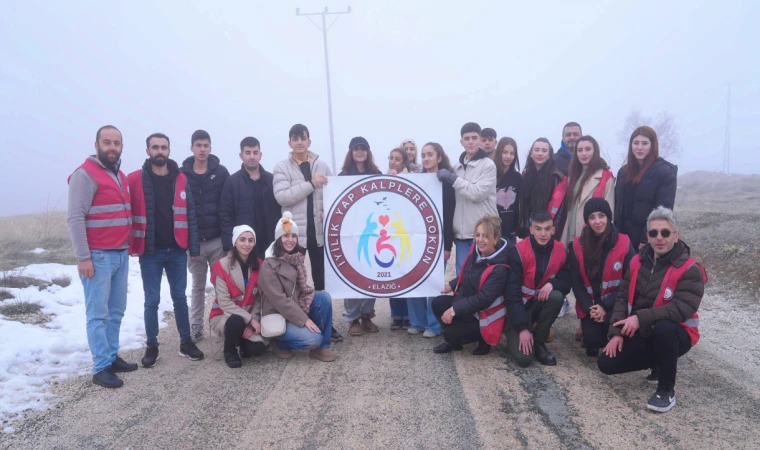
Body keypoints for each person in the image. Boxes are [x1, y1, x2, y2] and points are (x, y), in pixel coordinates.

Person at [598, 207, 705, 413]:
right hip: (645, 331)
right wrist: (617, 333)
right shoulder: (637, 260)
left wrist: (639, 318)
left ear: (676, 236)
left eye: (665, 232)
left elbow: (681, 309)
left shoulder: (690, 269)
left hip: (677, 334)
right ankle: (659, 361)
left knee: (664, 327)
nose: (659, 238)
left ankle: (666, 390)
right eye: (654, 233)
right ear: (647, 236)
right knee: (606, 364)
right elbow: (622, 297)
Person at [67, 125, 136, 388]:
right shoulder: (84, 175)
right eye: (107, 142)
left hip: (120, 253)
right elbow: (75, 218)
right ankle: (100, 367)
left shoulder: (119, 175)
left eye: (116, 143)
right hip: (97, 257)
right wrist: (83, 257)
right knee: (98, 315)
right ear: (96, 145)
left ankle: (111, 356)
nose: (112, 147)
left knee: (116, 311)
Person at [129, 133, 204, 367]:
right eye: (155, 147)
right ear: (147, 150)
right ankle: (152, 345)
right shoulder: (136, 179)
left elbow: (190, 214)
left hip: (177, 250)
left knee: (180, 298)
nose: (159, 151)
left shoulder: (180, 179)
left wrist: (192, 246)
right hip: (150, 251)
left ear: (169, 151)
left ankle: (186, 342)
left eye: (163, 147)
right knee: (152, 300)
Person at [272, 124, 342, 342]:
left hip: (319, 233)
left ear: (309, 141)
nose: (299, 142)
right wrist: (311, 183)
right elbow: (282, 197)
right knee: (293, 282)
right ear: (289, 143)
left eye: (303, 138)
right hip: (294, 236)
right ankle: (296, 322)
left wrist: (327, 211)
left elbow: (335, 195)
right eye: (295, 138)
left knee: (322, 282)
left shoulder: (322, 165)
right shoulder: (281, 167)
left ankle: (326, 322)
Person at [259, 212, 337, 362]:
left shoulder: (296, 258)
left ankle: (322, 348)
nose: (290, 240)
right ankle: (278, 340)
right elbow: (280, 301)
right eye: (286, 236)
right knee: (313, 339)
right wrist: (304, 320)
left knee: (323, 298)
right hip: (279, 314)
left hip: (296, 306)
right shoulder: (268, 265)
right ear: (278, 239)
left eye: (293, 236)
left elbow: (302, 290)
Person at [566, 199, 635, 356]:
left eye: (601, 215)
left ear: (608, 217)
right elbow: (576, 283)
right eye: (592, 217)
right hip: (590, 306)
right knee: (592, 342)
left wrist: (605, 306)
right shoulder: (577, 245)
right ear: (587, 220)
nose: (597, 221)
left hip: (615, 305)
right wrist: (590, 308)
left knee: (615, 342)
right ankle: (588, 329)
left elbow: (629, 280)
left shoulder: (624, 242)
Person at [431, 216, 509, 355]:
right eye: (478, 235)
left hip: (483, 313)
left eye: (485, 236)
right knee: (438, 302)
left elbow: (483, 299)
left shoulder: (500, 268)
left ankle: (481, 339)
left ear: (495, 239)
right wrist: (452, 285)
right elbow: (467, 273)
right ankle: (455, 340)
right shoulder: (476, 250)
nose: (479, 240)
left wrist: (454, 310)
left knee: (450, 333)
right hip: (467, 304)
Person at [181, 129, 230, 342]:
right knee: (198, 286)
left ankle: (223, 323)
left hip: (217, 240)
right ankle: (196, 326)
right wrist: (186, 242)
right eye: (198, 145)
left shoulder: (221, 173)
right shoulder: (182, 175)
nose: (202, 149)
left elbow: (227, 206)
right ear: (192, 147)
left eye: (206, 145)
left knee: (223, 285)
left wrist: (228, 241)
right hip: (193, 244)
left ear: (210, 147)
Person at [505, 211, 569, 367]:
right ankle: (519, 331)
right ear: (531, 230)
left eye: (547, 229)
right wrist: (522, 328)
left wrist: (552, 283)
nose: (543, 233)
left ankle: (539, 343)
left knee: (556, 296)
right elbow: (511, 294)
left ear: (553, 230)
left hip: (538, 305)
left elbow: (568, 280)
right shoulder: (517, 251)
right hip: (518, 309)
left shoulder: (562, 250)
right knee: (524, 359)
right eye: (538, 228)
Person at [437, 122, 498, 276]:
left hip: (484, 232)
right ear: (461, 142)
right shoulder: (457, 167)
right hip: (462, 235)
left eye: (474, 138)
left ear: (480, 140)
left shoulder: (488, 165)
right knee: (462, 276)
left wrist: (453, 179)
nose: (470, 141)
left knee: (484, 276)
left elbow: (477, 193)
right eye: (467, 138)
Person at [407, 142, 455, 338]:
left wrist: (447, 245)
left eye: (430, 155)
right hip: (415, 240)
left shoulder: (447, 183)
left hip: (438, 241)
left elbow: (449, 216)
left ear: (439, 158)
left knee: (434, 282)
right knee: (412, 280)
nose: (426, 158)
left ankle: (433, 324)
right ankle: (417, 322)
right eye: (423, 155)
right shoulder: (414, 180)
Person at [338, 137, 381, 337]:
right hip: (350, 234)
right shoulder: (342, 176)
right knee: (352, 277)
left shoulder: (377, 174)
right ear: (351, 152)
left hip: (372, 231)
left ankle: (367, 315)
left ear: (368, 151)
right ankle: (352, 318)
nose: (360, 152)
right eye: (356, 149)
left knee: (372, 274)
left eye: (363, 148)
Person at [209, 225, 267, 368]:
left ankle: (241, 340)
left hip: (247, 317)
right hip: (223, 315)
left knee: (257, 349)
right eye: (242, 240)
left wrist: (252, 320)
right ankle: (229, 351)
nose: (247, 244)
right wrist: (249, 320)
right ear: (235, 242)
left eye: (250, 240)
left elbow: (258, 299)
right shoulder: (222, 265)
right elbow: (224, 302)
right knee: (236, 322)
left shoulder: (259, 264)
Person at [614, 126, 678, 250]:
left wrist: (646, 238)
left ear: (652, 146)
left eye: (644, 143)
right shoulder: (623, 172)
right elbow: (617, 208)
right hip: (622, 240)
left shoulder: (664, 171)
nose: (639, 148)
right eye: (636, 143)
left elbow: (663, 210)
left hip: (648, 241)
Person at [219, 136, 280, 259]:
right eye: (248, 153)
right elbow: (225, 216)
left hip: (270, 245)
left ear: (260, 155)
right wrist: (229, 246)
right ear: (241, 156)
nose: (252, 156)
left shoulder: (272, 180)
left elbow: (281, 211)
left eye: (255, 152)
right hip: (244, 247)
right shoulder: (232, 182)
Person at [559, 135, 615, 247]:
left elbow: (610, 213)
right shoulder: (572, 177)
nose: (583, 154)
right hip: (571, 233)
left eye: (588, 149)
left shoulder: (605, 177)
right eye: (580, 150)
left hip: (592, 236)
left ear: (595, 151)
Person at [518, 138, 566, 241]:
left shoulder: (556, 177)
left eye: (544, 151)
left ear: (549, 155)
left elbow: (559, 211)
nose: (540, 154)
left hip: (545, 230)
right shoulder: (525, 176)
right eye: (537, 150)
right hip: (526, 228)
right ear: (531, 153)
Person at [386, 147, 411, 328]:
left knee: (406, 272)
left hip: (406, 231)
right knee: (392, 274)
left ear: (404, 162)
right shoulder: (383, 178)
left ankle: (408, 314)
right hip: (389, 231)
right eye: (391, 158)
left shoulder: (413, 179)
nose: (393, 161)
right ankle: (396, 314)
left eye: (397, 159)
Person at [494, 137, 521, 248]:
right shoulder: (490, 174)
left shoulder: (517, 177)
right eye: (505, 152)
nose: (508, 156)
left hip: (510, 231)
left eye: (512, 153)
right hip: (492, 229)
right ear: (499, 152)